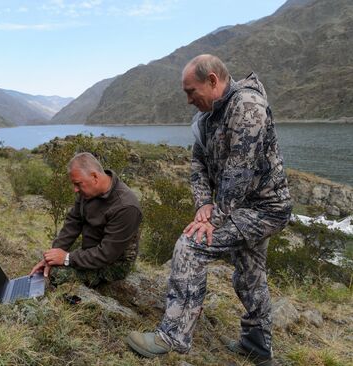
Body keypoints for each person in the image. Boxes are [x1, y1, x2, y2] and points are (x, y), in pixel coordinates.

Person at [126, 55, 292, 366]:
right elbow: (198, 163)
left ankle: (172, 335)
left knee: (192, 245)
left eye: (191, 91)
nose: (189, 100)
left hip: (265, 209)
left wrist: (212, 220)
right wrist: (203, 203)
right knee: (250, 275)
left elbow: (239, 172)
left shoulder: (247, 106)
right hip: (239, 210)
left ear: (213, 80)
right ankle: (257, 346)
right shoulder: (208, 116)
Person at [29, 152, 142, 287]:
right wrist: (51, 257)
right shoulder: (88, 192)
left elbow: (106, 254)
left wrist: (66, 258)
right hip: (90, 249)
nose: (75, 189)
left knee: (57, 274)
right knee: (49, 258)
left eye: (78, 184)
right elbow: (73, 223)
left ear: (94, 177)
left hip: (113, 263)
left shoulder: (126, 206)